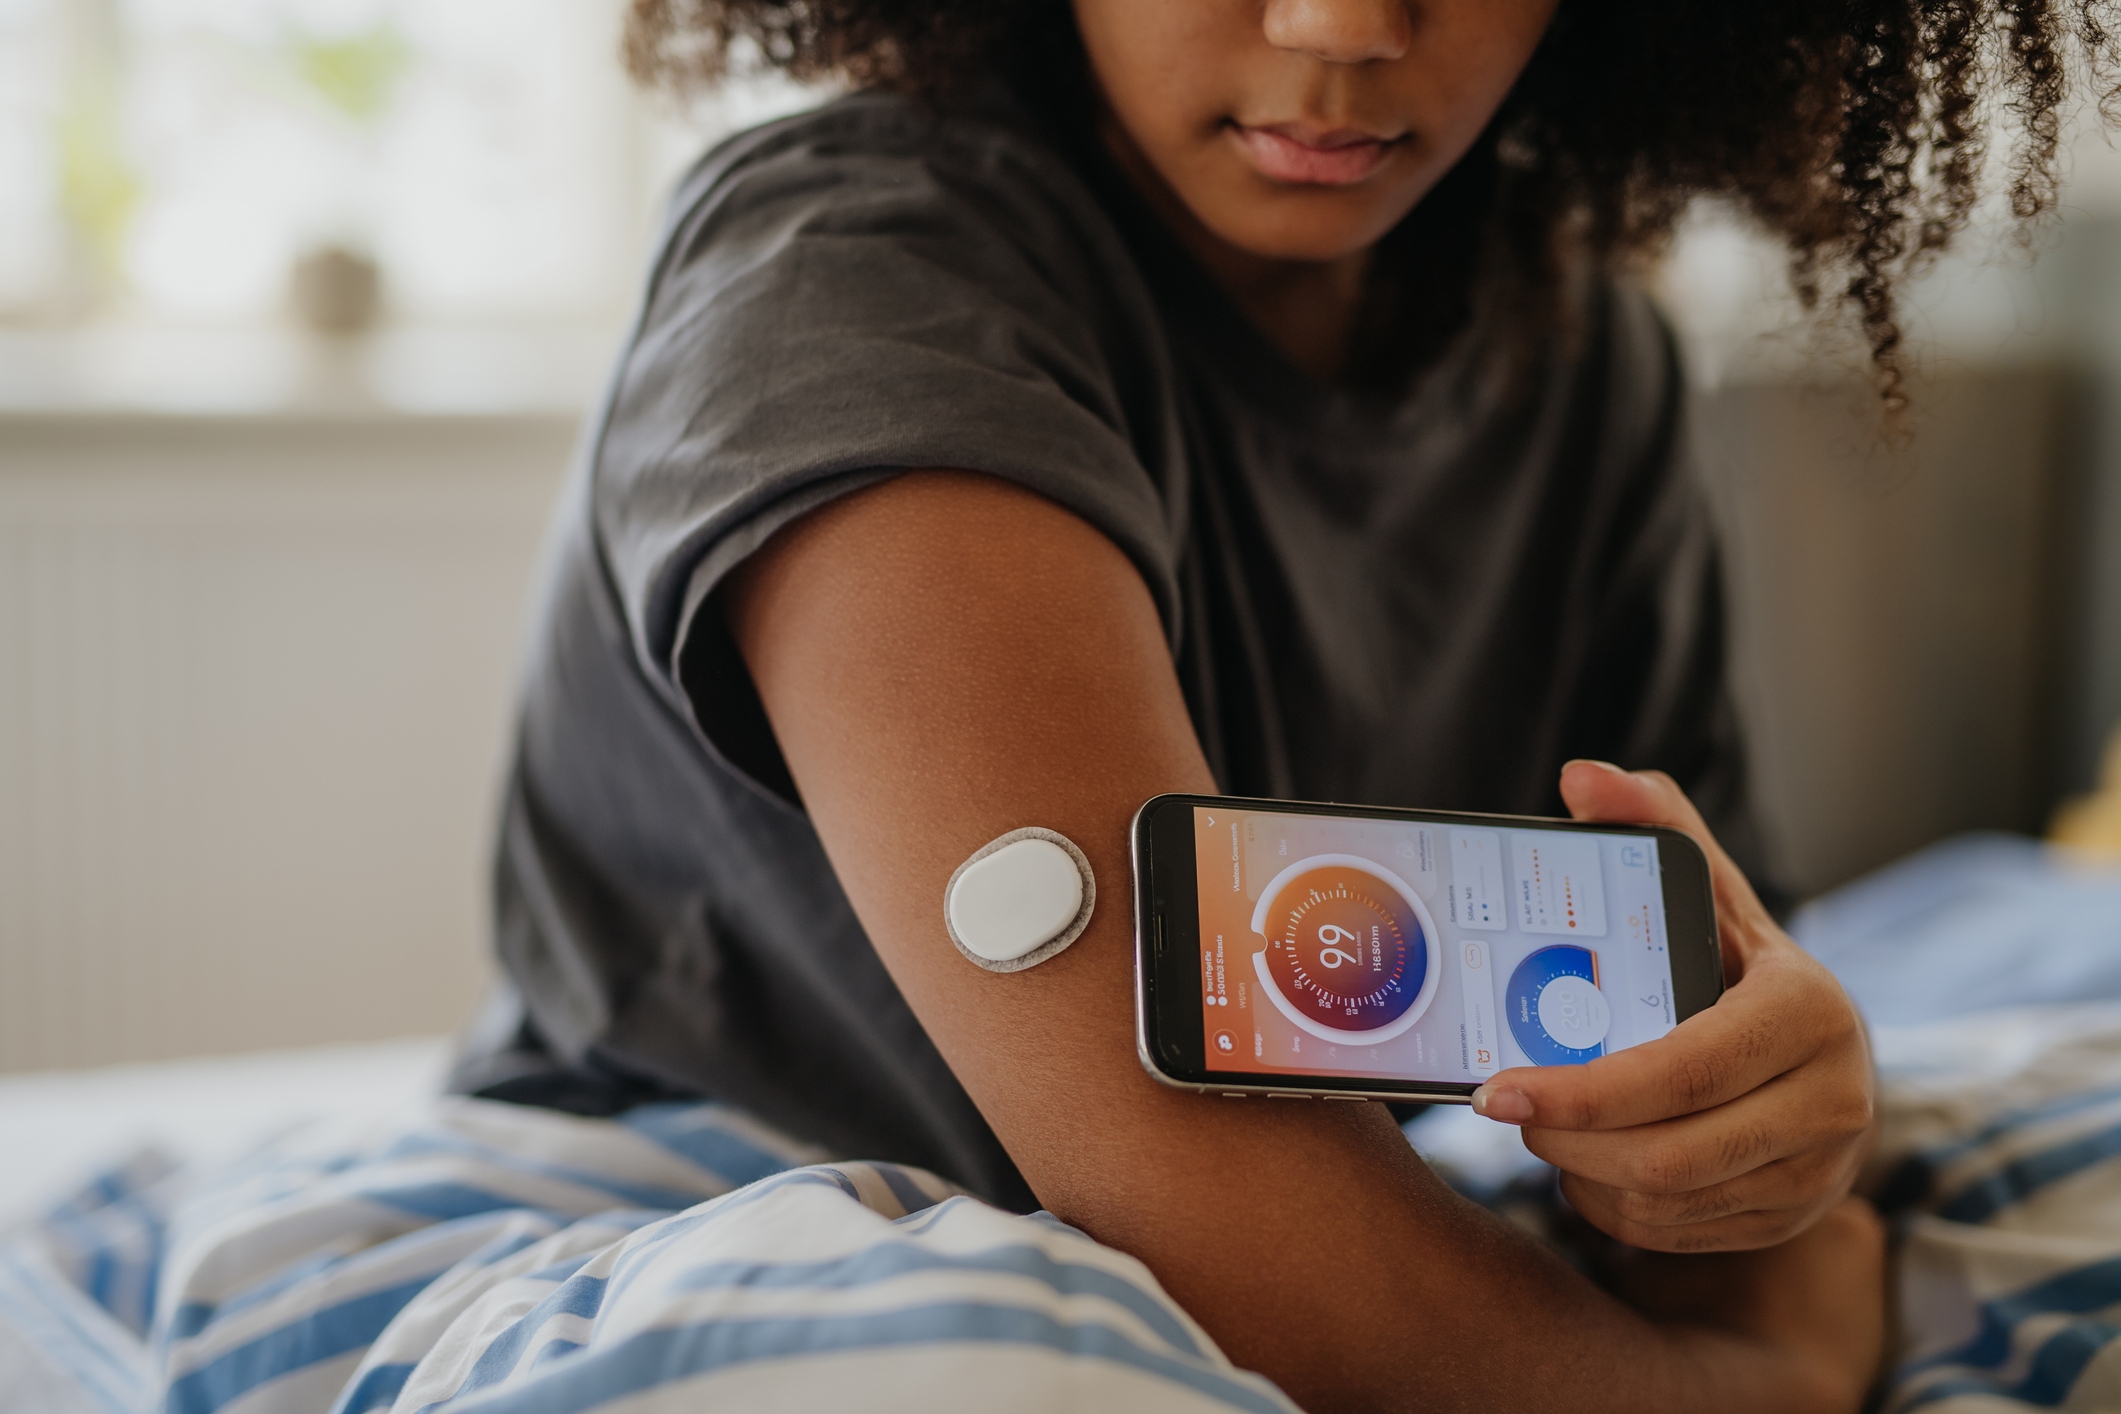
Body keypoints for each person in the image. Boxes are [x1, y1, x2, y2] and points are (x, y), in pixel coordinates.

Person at [450, 1, 2117, 1408]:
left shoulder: (1583, 355)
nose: (1343, 26)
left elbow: (1681, 1010)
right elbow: (1228, 1214)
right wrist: (1742, 1382)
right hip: (702, 1194)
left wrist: (1762, 1130)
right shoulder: (849, 285)